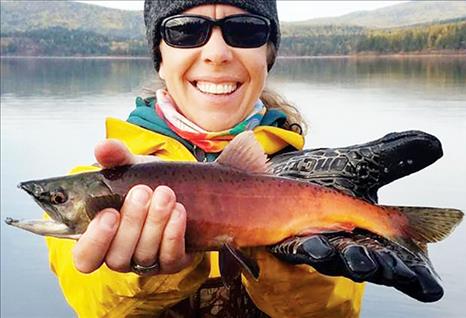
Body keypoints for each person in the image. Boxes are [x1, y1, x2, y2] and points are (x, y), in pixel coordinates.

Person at [45, 1, 440, 317]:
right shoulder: (91, 181)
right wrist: (139, 275)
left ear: (267, 56)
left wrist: (301, 272)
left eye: (246, 30)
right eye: (184, 30)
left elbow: (337, 312)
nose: (216, 53)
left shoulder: (319, 178)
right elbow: (92, 304)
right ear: (159, 57)